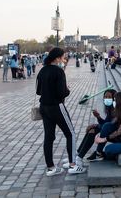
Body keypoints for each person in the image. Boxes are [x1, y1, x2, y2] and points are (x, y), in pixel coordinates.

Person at [36, 47, 85, 176]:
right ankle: (73, 164)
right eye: (63, 57)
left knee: (49, 137)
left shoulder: (42, 70)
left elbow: (38, 91)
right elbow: (62, 93)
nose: (64, 59)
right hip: (56, 106)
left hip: (44, 107)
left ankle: (51, 168)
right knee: (71, 134)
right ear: (57, 58)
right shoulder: (58, 71)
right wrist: (67, 89)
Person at [63, 89, 117, 166]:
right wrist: (98, 117)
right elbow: (106, 124)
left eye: (109, 97)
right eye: (105, 97)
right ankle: (78, 154)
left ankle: (79, 158)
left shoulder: (116, 109)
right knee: (92, 129)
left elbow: (110, 126)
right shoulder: (110, 108)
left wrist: (96, 125)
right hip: (109, 129)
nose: (106, 99)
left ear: (114, 98)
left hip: (117, 134)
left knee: (93, 130)